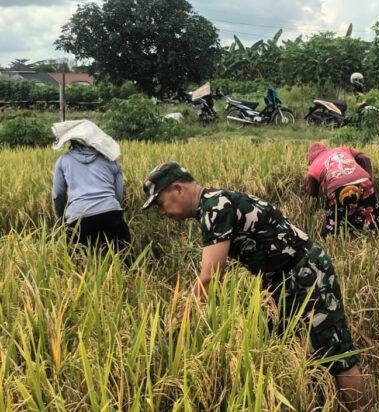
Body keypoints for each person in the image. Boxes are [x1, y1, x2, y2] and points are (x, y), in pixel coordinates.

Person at [141, 162, 365, 409]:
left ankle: (363, 408)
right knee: (283, 343)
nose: (162, 211)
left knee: (335, 349)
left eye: (160, 203)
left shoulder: (215, 207)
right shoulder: (212, 206)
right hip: (280, 279)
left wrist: (180, 321)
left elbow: (210, 276)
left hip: (306, 272)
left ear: (177, 188)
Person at [52, 119, 130, 252]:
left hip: (78, 220)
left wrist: (61, 219)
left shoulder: (63, 161)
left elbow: (58, 195)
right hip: (111, 216)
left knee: (79, 267)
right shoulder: (111, 159)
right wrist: (110, 210)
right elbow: (118, 194)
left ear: (72, 141)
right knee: (123, 263)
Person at [306, 141, 379, 237]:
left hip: (339, 188)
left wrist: (311, 211)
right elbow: (364, 158)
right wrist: (369, 177)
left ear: (310, 156)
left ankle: (335, 237)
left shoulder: (313, 167)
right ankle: (371, 232)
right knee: (369, 214)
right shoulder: (342, 149)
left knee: (335, 226)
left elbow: (311, 195)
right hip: (364, 182)